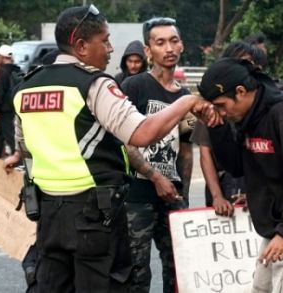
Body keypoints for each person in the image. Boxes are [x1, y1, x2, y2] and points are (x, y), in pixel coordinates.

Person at [3, 6, 219, 292]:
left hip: (48, 216)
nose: (110, 48)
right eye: (104, 40)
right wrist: (188, 102)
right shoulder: (94, 85)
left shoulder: (27, 87)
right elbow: (141, 134)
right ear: (81, 46)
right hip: (94, 216)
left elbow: (25, 146)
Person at [200, 58, 283, 292]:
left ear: (241, 92)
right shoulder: (249, 119)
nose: (221, 112)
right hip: (278, 229)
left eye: (221, 105)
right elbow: (237, 167)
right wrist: (217, 127)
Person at [119, 17, 195, 293]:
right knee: (137, 273)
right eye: (160, 42)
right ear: (149, 51)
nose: (169, 48)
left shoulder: (185, 96)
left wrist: (182, 193)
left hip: (172, 197)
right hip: (137, 195)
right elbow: (126, 141)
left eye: (173, 41)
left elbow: (186, 148)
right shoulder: (135, 86)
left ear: (182, 46)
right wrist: (154, 177)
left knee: (177, 269)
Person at [190, 41, 257, 216]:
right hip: (223, 184)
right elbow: (205, 154)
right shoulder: (212, 108)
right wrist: (217, 196)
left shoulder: (264, 110)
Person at [0, 44, 22, 158]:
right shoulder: (17, 70)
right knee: (0, 134)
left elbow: (0, 92)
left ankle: (18, 160)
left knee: (9, 135)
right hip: (15, 105)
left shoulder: (3, 71)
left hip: (5, 108)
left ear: (2, 57)